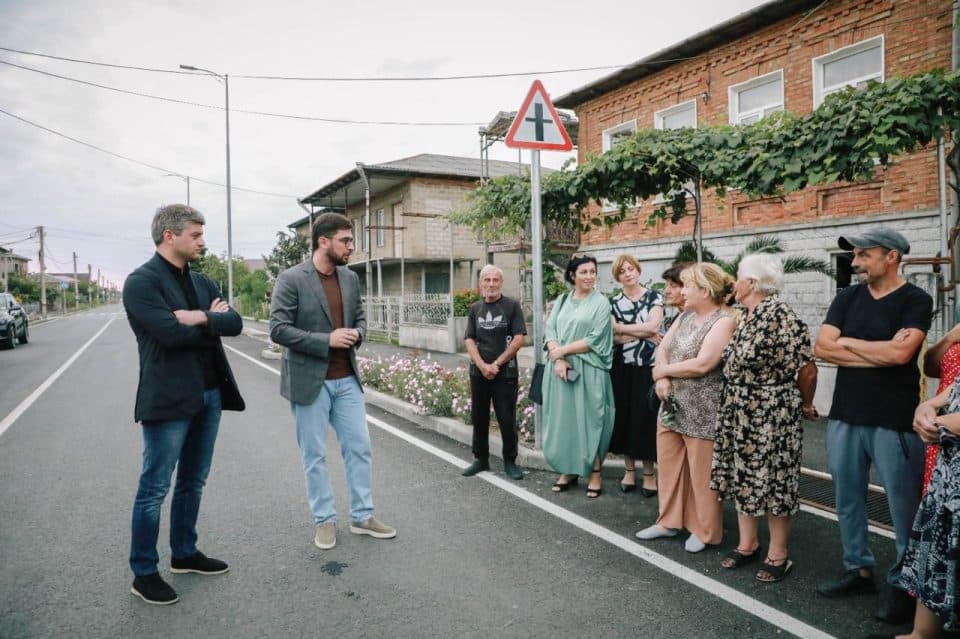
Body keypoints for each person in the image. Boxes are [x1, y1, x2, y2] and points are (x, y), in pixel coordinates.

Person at [123, 204, 245, 605]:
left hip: (210, 395)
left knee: (194, 480)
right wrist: (209, 321)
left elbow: (236, 324)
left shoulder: (203, 281)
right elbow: (168, 335)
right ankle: (144, 572)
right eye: (195, 235)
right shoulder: (141, 283)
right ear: (169, 236)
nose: (202, 242)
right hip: (169, 400)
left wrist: (193, 317)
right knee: (154, 488)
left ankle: (185, 553)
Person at [813, 227, 932, 626]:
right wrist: (877, 349)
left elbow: (902, 355)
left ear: (891, 257)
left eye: (864, 255)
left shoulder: (916, 299)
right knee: (847, 497)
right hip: (845, 414)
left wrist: (849, 344)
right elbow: (822, 346)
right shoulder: (847, 297)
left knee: (903, 507)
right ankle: (858, 569)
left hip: (894, 419)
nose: (856, 262)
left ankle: (904, 583)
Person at [269, 212, 395, 551]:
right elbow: (278, 330)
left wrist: (358, 333)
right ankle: (324, 521)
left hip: (346, 379)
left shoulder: (350, 278)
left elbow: (360, 318)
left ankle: (362, 515)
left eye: (351, 241)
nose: (352, 247)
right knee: (315, 455)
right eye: (346, 241)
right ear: (323, 241)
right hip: (310, 381)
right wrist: (326, 339)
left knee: (360, 448)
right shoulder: (292, 279)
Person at [710, 254, 818, 582]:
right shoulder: (746, 315)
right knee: (744, 475)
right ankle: (748, 545)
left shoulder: (779, 314)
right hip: (741, 409)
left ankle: (778, 554)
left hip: (771, 410)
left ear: (752, 283)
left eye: (738, 277)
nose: (734, 283)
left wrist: (806, 405)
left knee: (775, 480)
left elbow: (807, 368)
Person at [635, 262, 736, 553]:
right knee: (669, 465)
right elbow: (662, 348)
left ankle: (704, 530)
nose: (682, 291)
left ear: (705, 291)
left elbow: (704, 363)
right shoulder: (684, 316)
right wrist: (662, 376)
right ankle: (668, 521)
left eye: (688, 285)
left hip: (703, 407)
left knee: (702, 473)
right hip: (671, 403)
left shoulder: (724, 321)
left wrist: (662, 372)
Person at [542, 253, 615, 498]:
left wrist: (562, 351)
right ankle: (568, 470)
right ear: (572, 275)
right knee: (566, 421)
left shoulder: (601, 303)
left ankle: (595, 472)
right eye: (583, 272)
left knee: (591, 420)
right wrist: (559, 357)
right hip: (561, 370)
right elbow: (550, 330)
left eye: (592, 272)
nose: (589, 276)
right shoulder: (562, 300)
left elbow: (595, 338)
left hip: (589, 370)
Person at [892, 380, 960, 639]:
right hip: (949, 476)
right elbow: (953, 390)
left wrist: (941, 423)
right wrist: (927, 407)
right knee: (935, 551)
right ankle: (920, 634)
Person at [461, 264, 527, 480]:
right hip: (479, 372)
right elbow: (469, 339)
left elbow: (519, 339)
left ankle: (510, 461)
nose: (491, 284)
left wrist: (496, 364)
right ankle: (481, 459)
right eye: (487, 280)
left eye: (495, 280)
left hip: (505, 373)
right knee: (479, 417)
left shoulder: (511, 306)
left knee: (506, 418)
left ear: (501, 283)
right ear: (481, 283)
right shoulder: (475, 309)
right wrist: (481, 365)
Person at [609, 255, 664, 495]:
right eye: (622, 272)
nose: (628, 274)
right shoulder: (613, 302)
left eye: (631, 269)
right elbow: (613, 336)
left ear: (638, 270)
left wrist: (623, 328)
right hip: (622, 366)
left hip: (648, 366)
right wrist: (640, 333)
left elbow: (655, 326)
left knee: (645, 418)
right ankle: (629, 472)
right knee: (625, 418)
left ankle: (650, 473)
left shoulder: (654, 297)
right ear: (617, 277)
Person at [660, 262, 692, 331]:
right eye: (666, 286)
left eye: (673, 286)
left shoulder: (696, 320)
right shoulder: (679, 317)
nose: (666, 291)